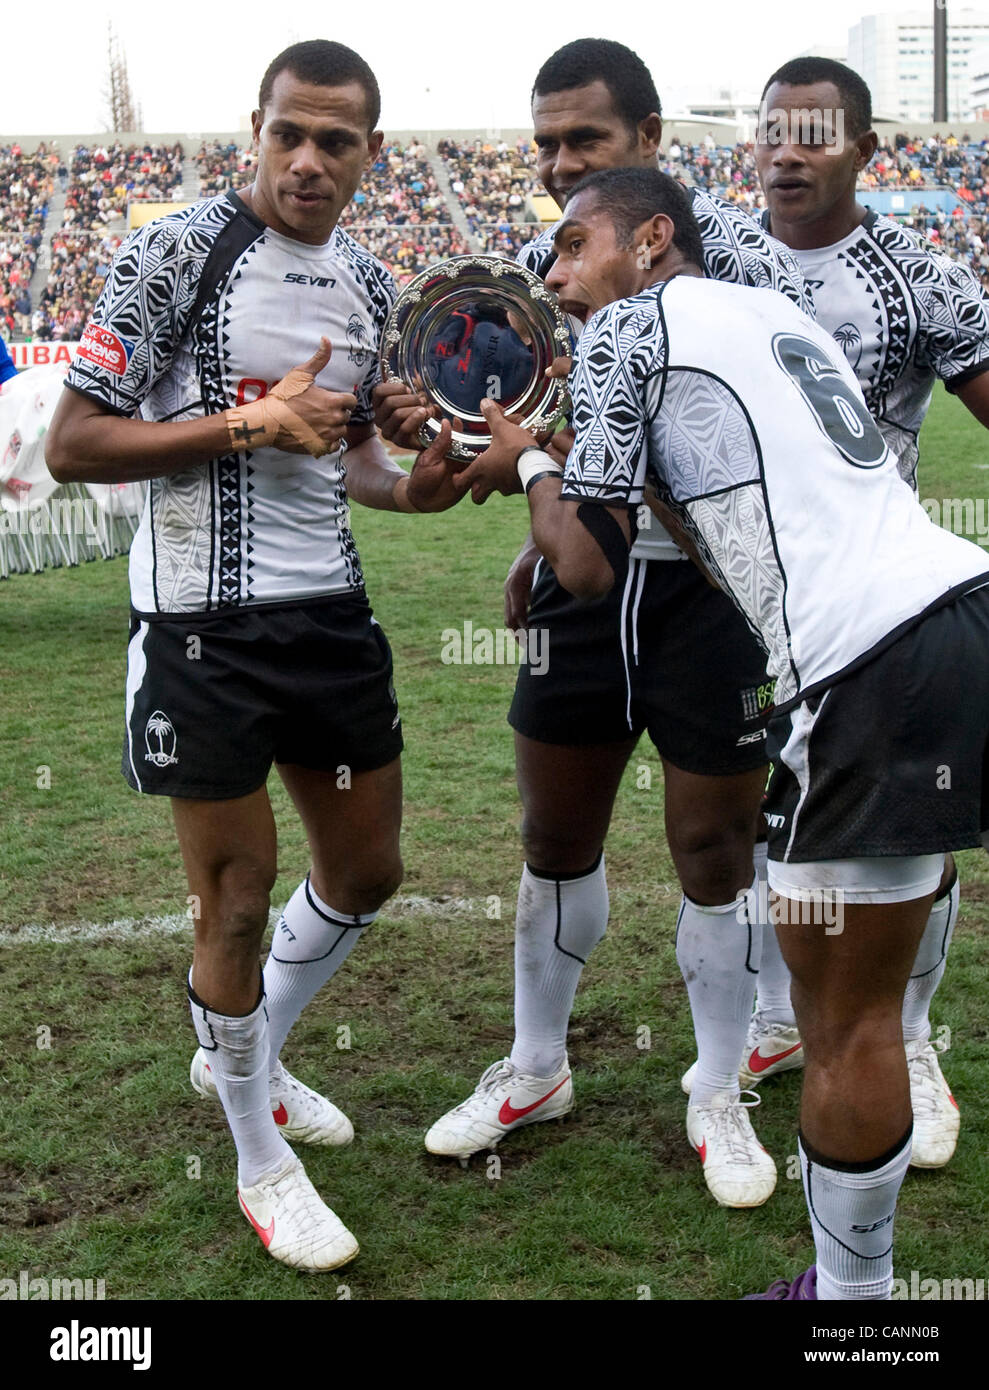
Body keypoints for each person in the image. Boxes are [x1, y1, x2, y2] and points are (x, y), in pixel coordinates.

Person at [454, 166, 989, 1300]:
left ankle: (852, 1310)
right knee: (864, 996)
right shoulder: (772, 311)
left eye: (571, 244)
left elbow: (587, 567)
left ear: (651, 238)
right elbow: (723, 525)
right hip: (955, 611)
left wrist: (529, 462)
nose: (553, 276)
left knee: (837, 1022)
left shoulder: (630, 328)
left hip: (859, 668)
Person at [45, 40, 464, 1273]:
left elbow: (370, 478)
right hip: (200, 630)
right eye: (290, 132)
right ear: (256, 127)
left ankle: (248, 1053)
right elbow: (72, 443)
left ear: (370, 155)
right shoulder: (173, 249)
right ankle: (254, 1154)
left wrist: (424, 478)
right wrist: (245, 421)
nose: (307, 160)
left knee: (369, 870)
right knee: (232, 898)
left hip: (328, 619)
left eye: (337, 141)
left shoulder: (374, 284)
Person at [377, 38, 809, 1210]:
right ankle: (533, 1067)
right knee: (551, 837)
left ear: (650, 147)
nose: (561, 166)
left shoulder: (739, 268)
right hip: (580, 587)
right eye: (547, 145)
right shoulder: (539, 271)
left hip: (705, 598)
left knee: (713, 850)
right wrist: (446, 434)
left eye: (586, 143)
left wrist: (549, 484)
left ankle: (718, 1087)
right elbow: (526, 448)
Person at [713, 56, 989, 1170]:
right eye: (771, 131)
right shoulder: (711, 258)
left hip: (873, 619)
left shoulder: (919, 278)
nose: (785, 151)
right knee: (756, 816)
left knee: (910, 831)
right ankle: (784, 1017)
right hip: (729, 602)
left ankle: (906, 1035)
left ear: (864, 152)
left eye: (814, 134)